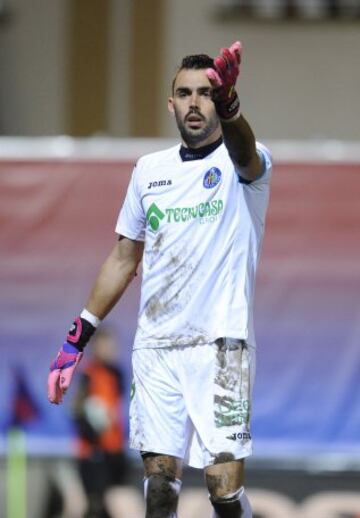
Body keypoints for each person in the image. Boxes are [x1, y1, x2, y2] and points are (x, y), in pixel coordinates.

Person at [48, 40, 272, 518]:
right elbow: (123, 257)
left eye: (206, 93)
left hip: (222, 346)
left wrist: (233, 109)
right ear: (170, 104)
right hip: (157, 348)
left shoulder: (242, 165)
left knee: (222, 489)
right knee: (160, 490)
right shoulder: (149, 171)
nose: (195, 102)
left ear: (220, 99)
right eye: (184, 93)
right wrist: (77, 337)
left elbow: (246, 151)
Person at [72, 328, 128, 517]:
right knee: (96, 504)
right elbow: (77, 411)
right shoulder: (87, 375)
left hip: (115, 450)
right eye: (105, 346)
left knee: (116, 501)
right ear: (95, 348)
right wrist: (94, 434)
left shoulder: (117, 374)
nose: (109, 350)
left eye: (111, 346)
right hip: (93, 453)